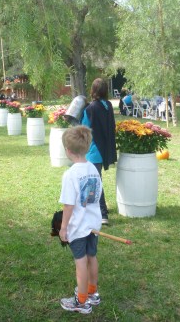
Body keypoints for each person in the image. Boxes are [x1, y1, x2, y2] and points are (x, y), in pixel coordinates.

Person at [58, 125, 103, 315]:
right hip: (93, 225)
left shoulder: (70, 174)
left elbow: (68, 206)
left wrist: (63, 228)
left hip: (78, 227)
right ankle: (92, 293)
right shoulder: (93, 168)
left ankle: (82, 301)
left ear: (68, 151)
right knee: (91, 258)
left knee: (80, 262)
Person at [81, 78, 117, 225]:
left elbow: (84, 129)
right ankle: (87, 210)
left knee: (94, 181)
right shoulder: (108, 105)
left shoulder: (90, 109)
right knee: (91, 180)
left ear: (93, 90)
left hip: (94, 151)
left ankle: (103, 214)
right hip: (105, 149)